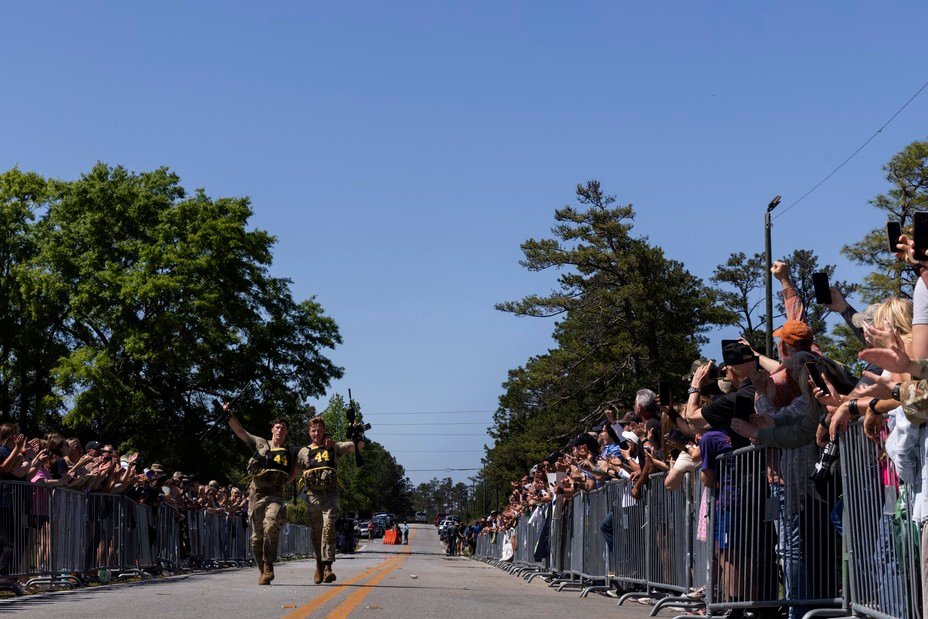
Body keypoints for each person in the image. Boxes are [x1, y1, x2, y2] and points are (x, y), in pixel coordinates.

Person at [226, 405, 300, 586]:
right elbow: (241, 432)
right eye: (277, 427)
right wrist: (228, 415)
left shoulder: (291, 451)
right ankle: (263, 570)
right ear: (272, 430)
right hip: (256, 494)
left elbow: (301, 463)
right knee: (256, 538)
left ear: (287, 432)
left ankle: (268, 565)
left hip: (275, 494)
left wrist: (290, 479)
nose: (280, 430)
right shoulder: (260, 443)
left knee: (271, 524)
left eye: (283, 428)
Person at [298, 415, 364, 585]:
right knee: (316, 533)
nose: (316, 433)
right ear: (308, 432)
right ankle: (319, 565)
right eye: (313, 430)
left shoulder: (333, 446)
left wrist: (358, 433)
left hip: (330, 495)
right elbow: (294, 469)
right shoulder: (303, 452)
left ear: (324, 431)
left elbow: (357, 447)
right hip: (312, 496)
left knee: (329, 526)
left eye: (319, 430)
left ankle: (328, 566)